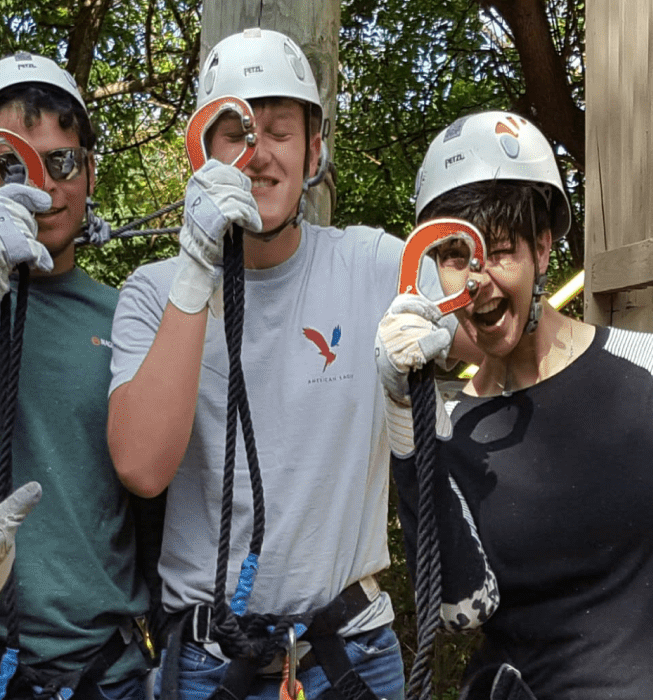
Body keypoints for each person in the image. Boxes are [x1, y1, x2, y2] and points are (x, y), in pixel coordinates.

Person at [378, 112, 653, 700]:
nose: (476, 279)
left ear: (543, 248)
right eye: (454, 257)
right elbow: (460, 609)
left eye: (500, 250)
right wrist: (404, 417)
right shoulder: (453, 427)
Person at [107, 27, 416, 700]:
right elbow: (141, 466)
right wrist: (196, 268)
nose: (259, 155)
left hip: (348, 651)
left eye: (280, 131)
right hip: (210, 660)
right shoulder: (155, 291)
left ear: (314, 149)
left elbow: (479, 324)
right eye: (235, 133)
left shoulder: (372, 266)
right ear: (200, 150)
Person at [0, 52, 157, 700]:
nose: (41, 189)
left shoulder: (125, 313)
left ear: (90, 171)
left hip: (109, 673)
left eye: (61, 163)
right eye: (12, 166)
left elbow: (156, 505)